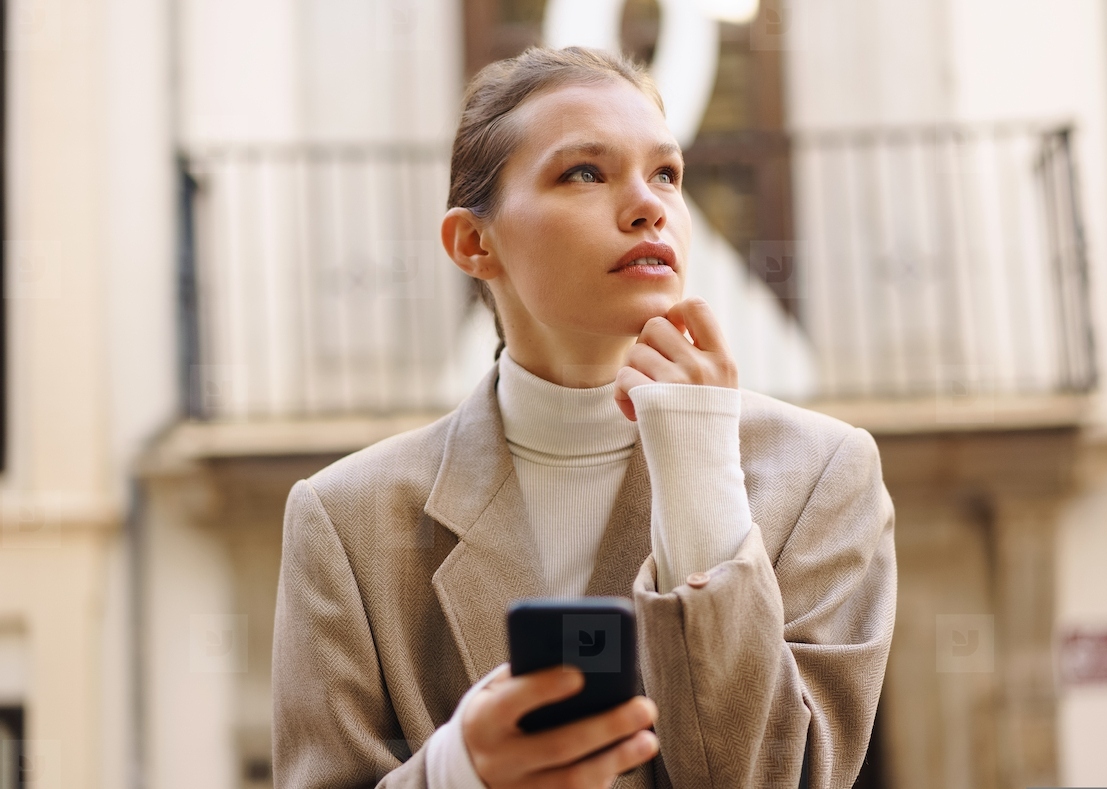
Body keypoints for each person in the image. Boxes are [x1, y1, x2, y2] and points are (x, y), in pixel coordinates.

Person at [271, 46, 896, 789]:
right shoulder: (345, 520)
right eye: (585, 173)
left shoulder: (826, 476)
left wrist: (701, 476)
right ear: (474, 243)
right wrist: (456, 773)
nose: (649, 205)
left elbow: (776, 776)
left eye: (666, 173)